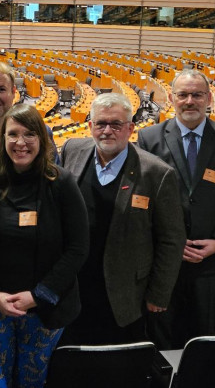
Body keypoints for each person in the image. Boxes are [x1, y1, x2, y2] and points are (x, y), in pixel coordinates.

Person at [0, 103, 88, 388]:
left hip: (44, 309)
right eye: (13, 134)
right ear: (2, 140)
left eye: (30, 134)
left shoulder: (62, 183)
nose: (21, 142)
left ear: (42, 140)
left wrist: (38, 295)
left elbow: (77, 248)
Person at [138, 70, 215, 348]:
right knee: (163, 337)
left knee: (205, 338)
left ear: (209, 99)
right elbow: (143, 202)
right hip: (165, 261)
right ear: (171, 98)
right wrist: (170, 244)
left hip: (212, 262)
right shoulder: (149, 138)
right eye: (183, 95)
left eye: (197, 94)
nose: (190, 101)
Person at [61, 93, 185, 345]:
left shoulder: (157, 173)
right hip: (75, 284)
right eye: (100, 123)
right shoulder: (72, 150)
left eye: (116, 124)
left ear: (130, 128)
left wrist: (159, 295)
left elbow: (171, 240)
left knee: (117, 366)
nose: (107, 130)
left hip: (125, 291)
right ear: (90, 126)